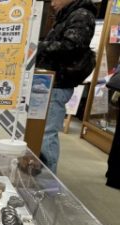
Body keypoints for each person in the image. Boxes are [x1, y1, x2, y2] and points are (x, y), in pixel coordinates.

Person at [36, 0, 96, 173]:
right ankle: (43, 178)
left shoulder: (81, 15)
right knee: (43, 132)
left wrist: (37, 46)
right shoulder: (70, 15)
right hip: (51, 82)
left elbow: (71, 47)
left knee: (47, 134)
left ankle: (48, 181)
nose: (52, 3)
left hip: (58, 84)